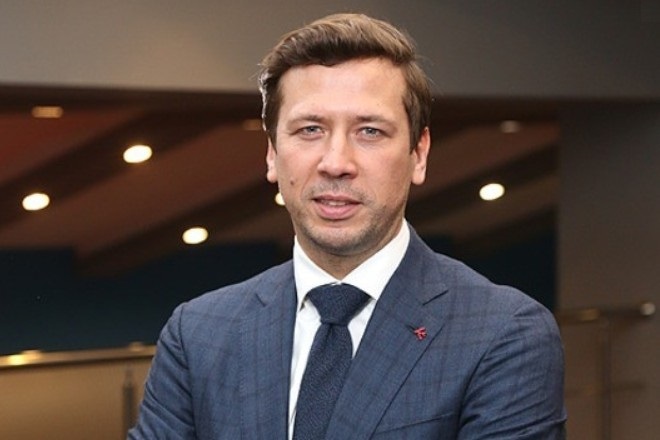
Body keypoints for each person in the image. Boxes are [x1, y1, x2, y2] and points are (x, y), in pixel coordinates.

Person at [129, 13, 566, 439]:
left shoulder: (503, 333)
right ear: (272, 154)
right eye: (310, 129)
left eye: (370, 131)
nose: (336, 162)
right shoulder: (198, 334)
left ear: (419, 154)